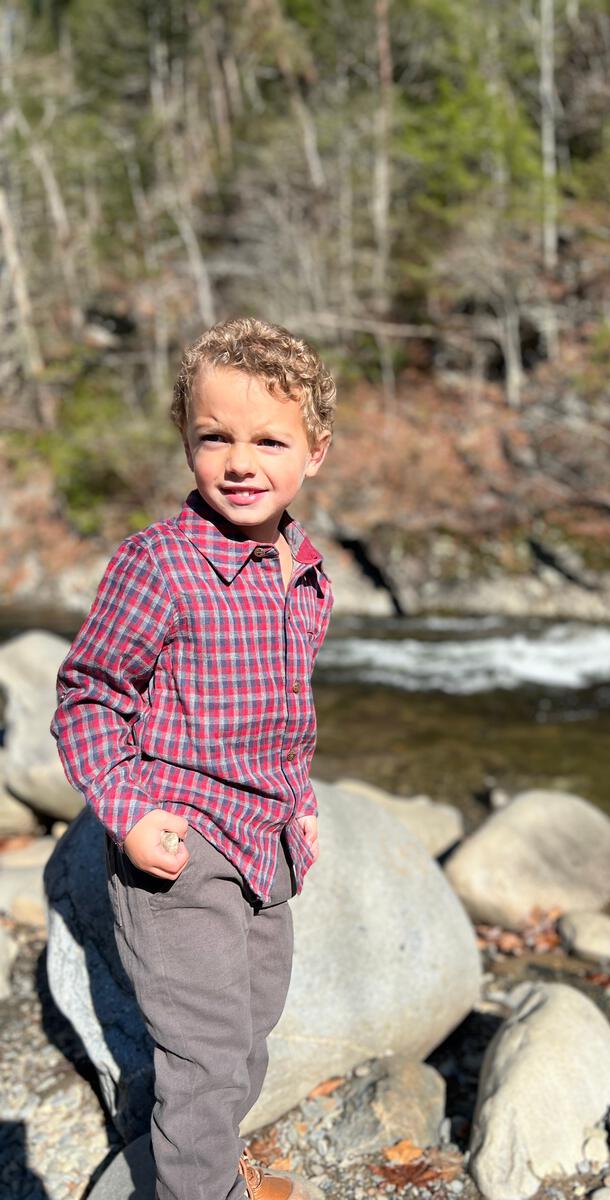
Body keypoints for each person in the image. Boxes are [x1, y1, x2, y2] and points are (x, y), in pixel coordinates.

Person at [51, 317, 335, 1200]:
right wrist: (128, 811)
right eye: (215, 436)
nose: (241, 461)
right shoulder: (159, 565)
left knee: (246, 1038)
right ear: (187, 439)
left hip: (266, 839)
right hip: (180, 849)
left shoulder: (308, 572)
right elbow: (88, 695)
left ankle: (177, 1152)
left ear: (315, 453)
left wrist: (301, 803)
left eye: (268, 440)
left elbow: (287, 712)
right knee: (206, 1055)